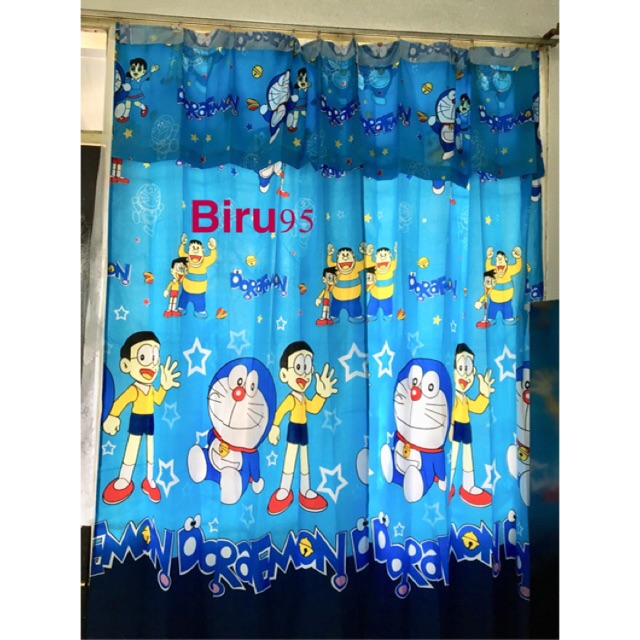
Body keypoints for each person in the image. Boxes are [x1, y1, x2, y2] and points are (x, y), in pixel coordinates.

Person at [101, 331, 181, 505]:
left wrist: (164, 387)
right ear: (126, 365)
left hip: (150, 420)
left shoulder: (150, 389)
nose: (152, 365)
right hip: (137, 419)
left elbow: (157, 399)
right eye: (143, 357)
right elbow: (120, 403)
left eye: (155, 358)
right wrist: (112, 416)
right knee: (132, 447)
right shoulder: (134, 389)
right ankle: (124, 479)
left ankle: (150, 480)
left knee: (150, 450)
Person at [267, 341, 338, 515]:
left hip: (303, 429)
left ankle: (305, 490)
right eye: (299, 367)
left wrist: (322, 395)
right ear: (284, 374)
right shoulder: (291, 398)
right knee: (290, 458)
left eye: (307, 367)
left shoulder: (304, 398)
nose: (305, 374)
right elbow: (280, 412)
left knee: (304, 460)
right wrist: (274, 427)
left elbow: (313, 408)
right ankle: (284, 489)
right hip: (293, 429)